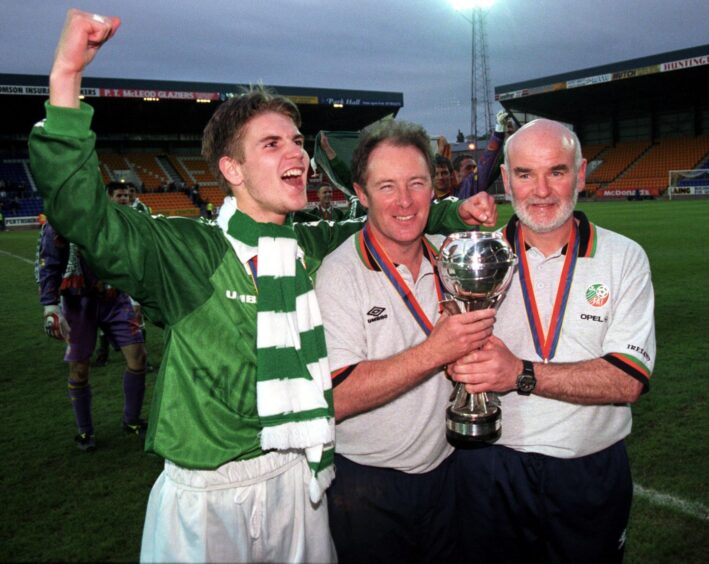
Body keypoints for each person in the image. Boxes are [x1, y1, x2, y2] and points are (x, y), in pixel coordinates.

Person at [30, 10, 494, 562]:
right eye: (272, 144)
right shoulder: (189, 253)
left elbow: (390, 216)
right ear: (231, 168)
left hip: (300, 478)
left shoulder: (310, 244)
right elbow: (83, 215)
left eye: (296, 141)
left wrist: (453, 210)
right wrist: (65, 77)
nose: (296, 153)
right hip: (208, 492)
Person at [449, 119, 655, 563]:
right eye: (525, 174)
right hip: (490, 466)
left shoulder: (624, 258)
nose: (540, 191)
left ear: (580, 175)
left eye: (556, 172)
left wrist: (520, 373)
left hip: (589, 468)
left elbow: (627, 381)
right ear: (506, 180)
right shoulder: (471, 259)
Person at [314, 120, 498, 563]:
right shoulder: (339, 275)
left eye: (416, 183)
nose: (404, 201)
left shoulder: (453, 259)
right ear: (361, 194)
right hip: (367, 486)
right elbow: (336, 397)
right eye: (387, 186)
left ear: (434, 187)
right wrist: (436, 351)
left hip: (449, 471)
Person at [36, 219, 148, 451]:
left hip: (115, 298)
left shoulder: (109, 216)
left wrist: (135, 297)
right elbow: (49, 265)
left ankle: (132, 420)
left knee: (138, 357)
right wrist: (50, 307)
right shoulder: (59, 222)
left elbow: (129, 257)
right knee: (79, 368)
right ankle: (85, 430)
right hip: (78, 302)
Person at [452, 109, 512, 199]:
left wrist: (509, 141)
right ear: (456, 174)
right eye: (468, 168)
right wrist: (499, 132)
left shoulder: (478, 184)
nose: (474, 171)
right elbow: (486, 163)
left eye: (475, 167)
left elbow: (492, 165)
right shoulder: (457, 191)